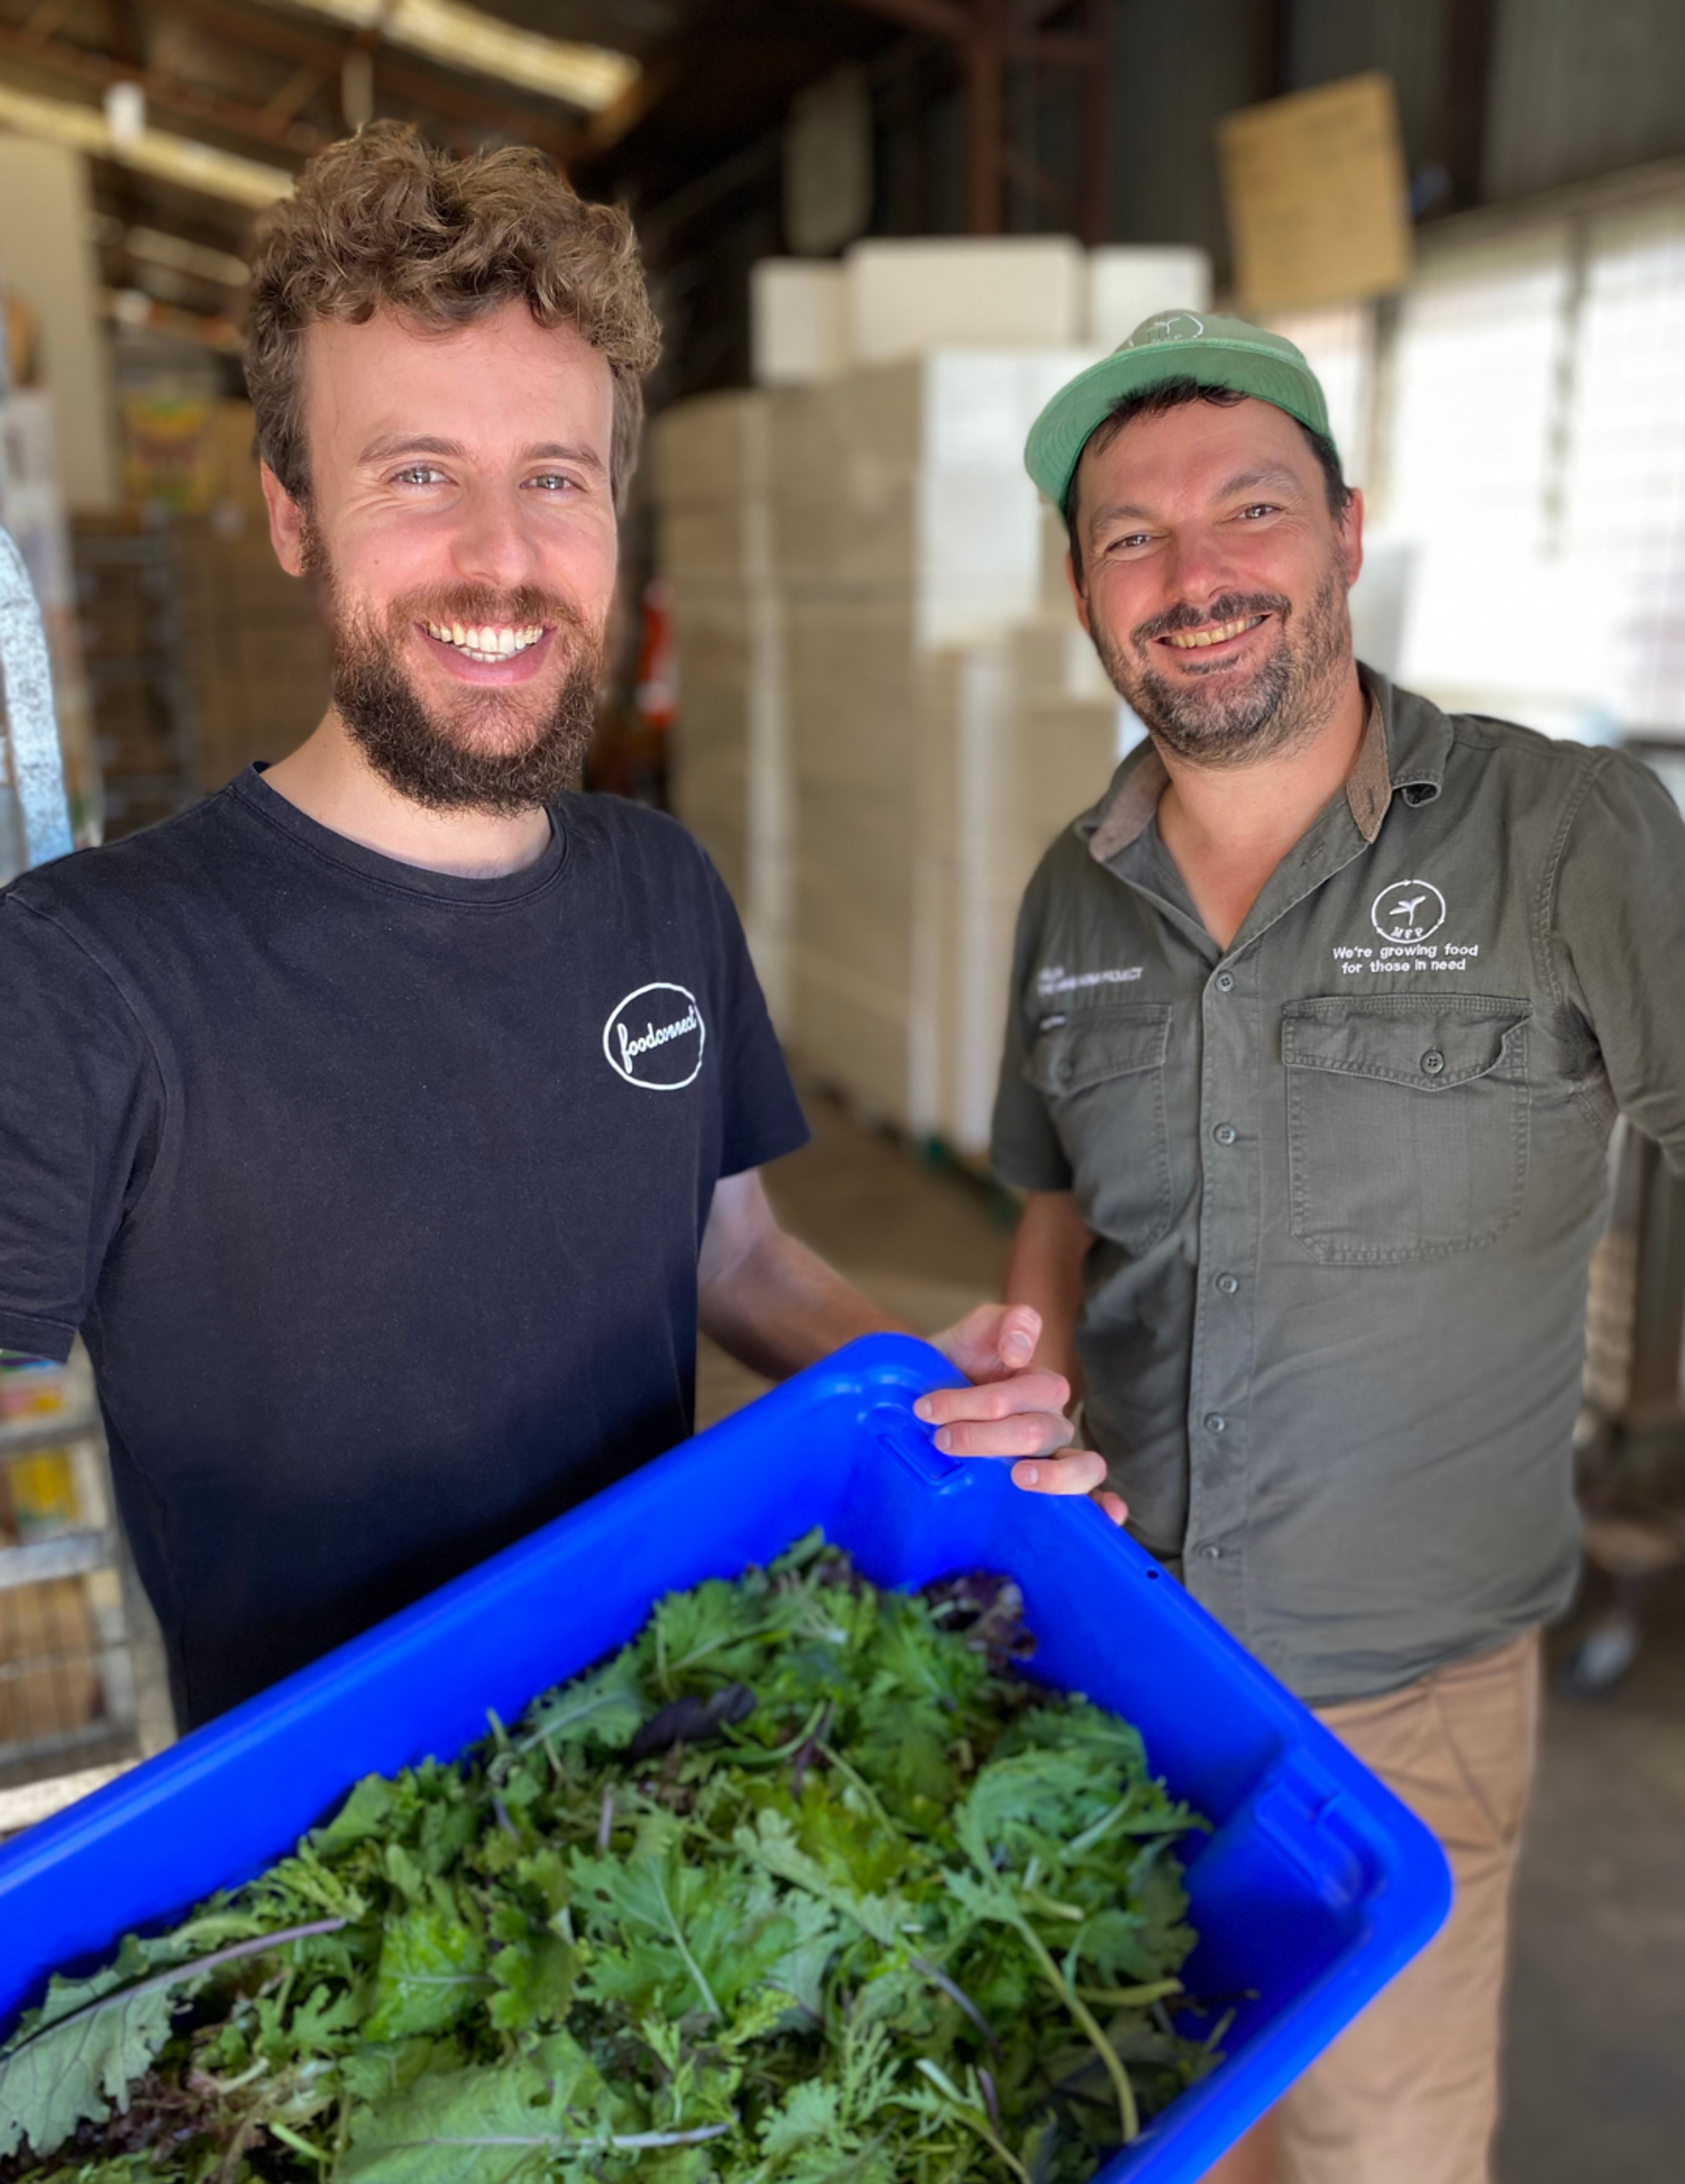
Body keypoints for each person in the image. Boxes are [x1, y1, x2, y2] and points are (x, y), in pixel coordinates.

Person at [0, 125, 1088, 1735]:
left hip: (670, 1778)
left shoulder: (659, 887)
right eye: (419, 474)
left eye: (555, 480)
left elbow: (742, 1253)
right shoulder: (92, 972)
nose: (501, 560)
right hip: (341, 1892)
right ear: (295, 512)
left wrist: (931, 1396)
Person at [990, 313, 1685, 2184]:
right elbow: (1052, 1196)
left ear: (1346, 535)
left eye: (1250, 512)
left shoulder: (1567, 834)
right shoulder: (1074, 884)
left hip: (1411, 1698)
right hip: (1118, 1665)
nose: (1196, 576)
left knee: (1383, 2149)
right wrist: (1023, 1379)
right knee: (1148, 2126)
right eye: (1131, 536)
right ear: (1083, 590)